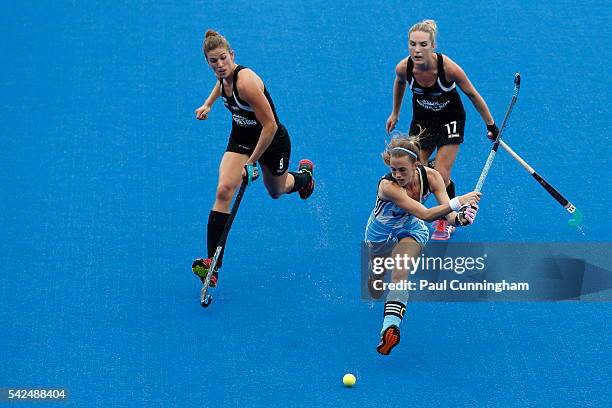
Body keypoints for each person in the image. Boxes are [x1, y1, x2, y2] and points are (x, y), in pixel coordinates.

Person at [192, 30, 315, 286]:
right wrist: (208, 104)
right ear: (208, 62)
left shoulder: (246, 81)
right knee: (224, 189)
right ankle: (212, 265)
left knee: (277, 191)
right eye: (213, 61)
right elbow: (220, 86)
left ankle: (304, 178)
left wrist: (251, 163)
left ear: (232, 55)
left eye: (223, 58)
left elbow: (270, 125)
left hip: (271, 141)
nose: (220, 65)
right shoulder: (223, 78)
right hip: (241, 138)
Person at [364, 133, 480, 355]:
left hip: (411, 227)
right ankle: (375, 275)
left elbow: (448, 216)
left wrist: (462, 218)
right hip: (380, 231)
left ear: (416, 164)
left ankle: (390, 327)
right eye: (393, 169)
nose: (397, 174)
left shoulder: (433, 177)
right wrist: (459, 202)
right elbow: (427, 214)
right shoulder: (388, 187)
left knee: (400, 270)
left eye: (402, 170)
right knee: (377, 282)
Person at [385, 19, 496, 240]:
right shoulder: (404, 68)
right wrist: (395, 112)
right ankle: (413, 211)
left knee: (441, 175)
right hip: (423, 122)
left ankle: (446, 219)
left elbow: (473, 95)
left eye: (423, 44)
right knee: (418, 168)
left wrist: (491, 125)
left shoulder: (448, 69)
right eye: (412, 44)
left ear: (433, 45)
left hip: (450, 119)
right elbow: (399, 83)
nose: (417, 50)